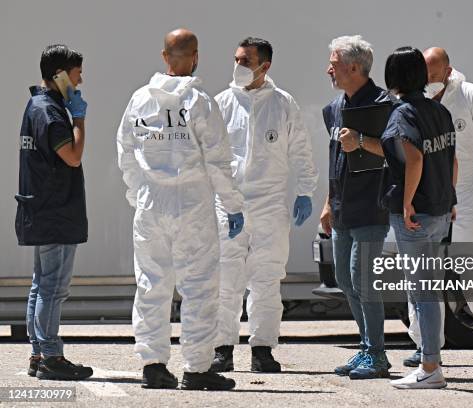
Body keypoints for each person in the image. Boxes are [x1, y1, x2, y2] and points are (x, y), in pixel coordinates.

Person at [117, 28, 244, 391]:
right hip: (192, 204)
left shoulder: (139, 100)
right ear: (196, 56)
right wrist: (233, 206)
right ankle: (197, 367)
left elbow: (126, 153)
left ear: (163, 57)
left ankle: (153, 365)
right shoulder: (201, 101)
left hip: (151, 204)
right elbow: (220, 161)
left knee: (151, 284)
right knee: (200, 286)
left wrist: (136, 194)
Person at [211, 37, 318, 373]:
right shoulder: (221, 103)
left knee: (267, 279)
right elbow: (209, 155)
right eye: (236, 59)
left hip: (270, 204)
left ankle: (262, 349)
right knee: (226, 279)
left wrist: (305, 190)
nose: (238, 66)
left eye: (245, 61)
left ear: (264, 65)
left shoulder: (283, 104)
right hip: (228, 204)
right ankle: (222, 347)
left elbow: (301, 149)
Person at [402, 47, 473, 367]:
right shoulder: (412, 101)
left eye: (433, 76)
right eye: (424, 76)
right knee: (419, 270)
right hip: (425, 193)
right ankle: (425, 344)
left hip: (463, 193)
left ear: (448, 71)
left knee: (471, 261)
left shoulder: (471, 96)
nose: (428, 81)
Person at [380, 46, 457, 389]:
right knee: (430, 292)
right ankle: (431, 362)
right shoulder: (438, 111)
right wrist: (449, 197)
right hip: (440, 210)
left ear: (392, 77)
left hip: (417, 215)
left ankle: (429, 366)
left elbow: (414, 160)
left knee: (422, 293)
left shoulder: (403, 114)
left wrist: (408, 202)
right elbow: (452, 160)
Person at [16, 44, 92, 381]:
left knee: (41, 285)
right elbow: (73, 156)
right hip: (55, 211)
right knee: (53, 288)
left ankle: (38, 353)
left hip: (43, 209)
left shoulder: (38, 105)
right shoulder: (51, 111)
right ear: (60, 75)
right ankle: (50, 355)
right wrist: (79, 117)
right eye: (76, 75)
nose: (80, 81)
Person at [320, 35, 393, 380]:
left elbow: (401, 152)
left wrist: (362, 141)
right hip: (342, 207)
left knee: (364, 281)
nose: (328, 70)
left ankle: (377, 354)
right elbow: (335, 158)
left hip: (372, 206)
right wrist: (326, 203)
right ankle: (366, 347)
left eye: (333, 64)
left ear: (352, 67)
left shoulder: (385, 105)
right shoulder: (334, 108)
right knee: (344, 280)